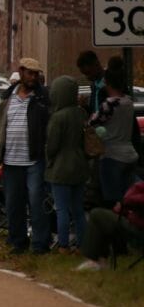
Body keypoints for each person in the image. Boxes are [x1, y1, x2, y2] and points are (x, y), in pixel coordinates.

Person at [0, 57, 51, 253]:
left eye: (36, 74)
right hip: (10, 160)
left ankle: (40, 243)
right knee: (13, 203)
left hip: (34, 159)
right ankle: (17, 241)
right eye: (30, 73)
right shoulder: (6, 97)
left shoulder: (42, 98)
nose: (33, 77)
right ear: (21, 72)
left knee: (36, 201)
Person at [45, 74, 89, 252]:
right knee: (78, 209)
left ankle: (63, 245)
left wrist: (48, 159)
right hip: (79, 165)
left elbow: (52, 145)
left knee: (62, 209)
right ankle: (82, 244)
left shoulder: (57, 117)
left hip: (61, 167)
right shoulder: (81, 113)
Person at [90, 55, 139, 206]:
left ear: (108, 82)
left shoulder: (109, 105)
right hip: (129, 153)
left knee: (113, 200)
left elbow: (93, 123)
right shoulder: (128, 102)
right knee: (128, 198)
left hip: (112, 154)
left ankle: (115, 227)